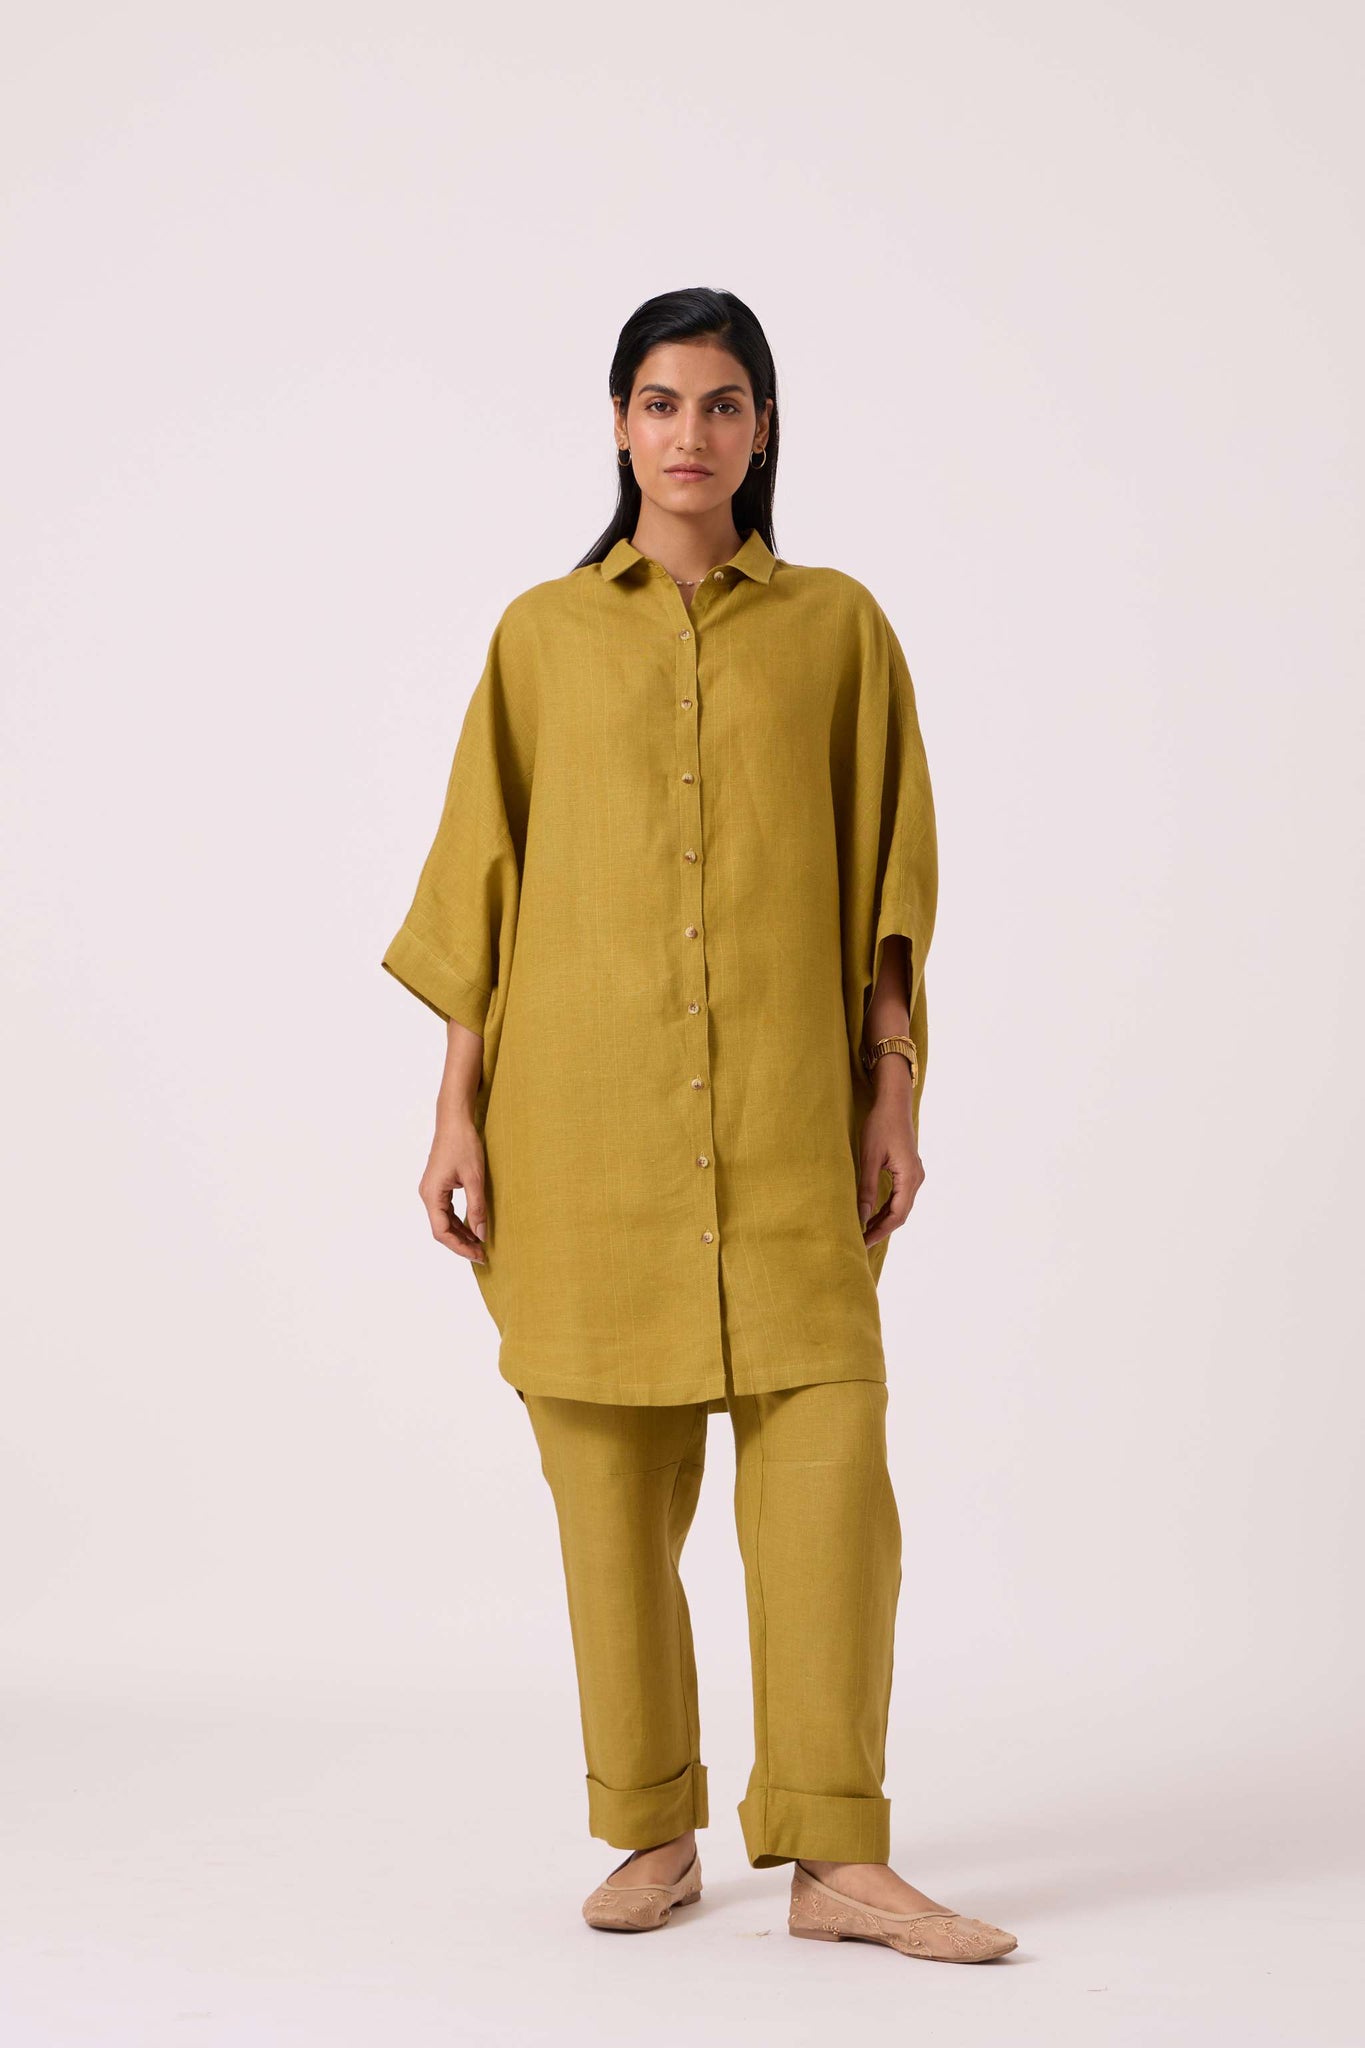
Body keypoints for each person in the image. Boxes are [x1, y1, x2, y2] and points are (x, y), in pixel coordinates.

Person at [380, 287, 1019, 1964]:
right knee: (607, 1503)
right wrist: (455, 1110)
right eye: (659, 402)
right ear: (617, 423)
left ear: (761, 428)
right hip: (580, 1137)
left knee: (829, 1493)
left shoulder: (837, 630)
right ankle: (650, 1825)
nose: (689, 433)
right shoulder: (539, 638)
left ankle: (835, 1858)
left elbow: (887, 876)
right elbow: (480, 884)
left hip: (792, 1136)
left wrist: (892, 1084)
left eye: (722, 403)